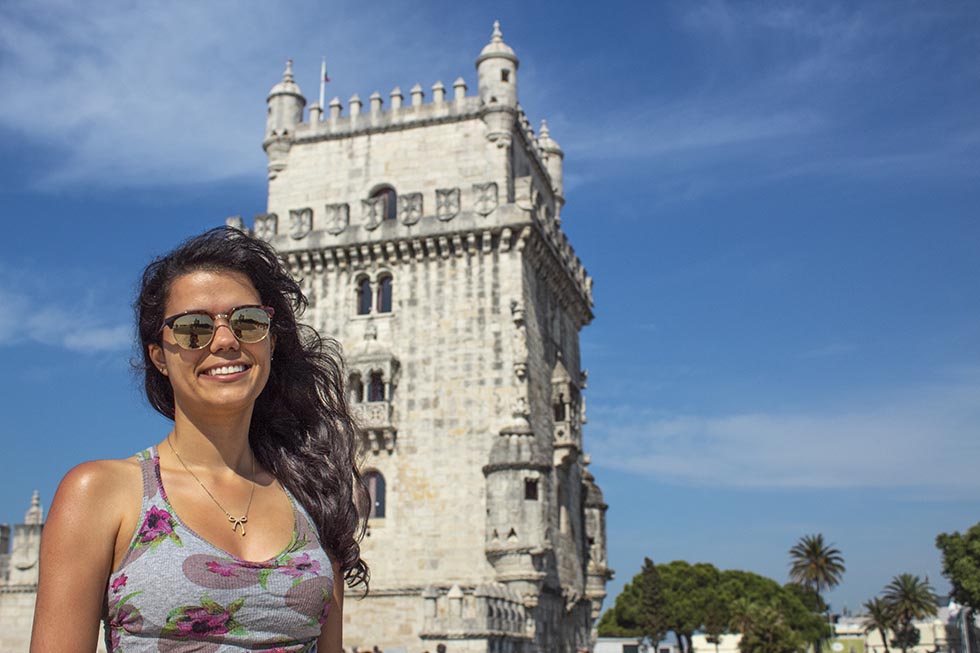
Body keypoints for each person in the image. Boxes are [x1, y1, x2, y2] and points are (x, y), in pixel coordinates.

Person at [31, 227, 369, 652]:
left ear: (270, 342)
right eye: (194, 328)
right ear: (159, 355)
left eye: (247, 323)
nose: (225, 341)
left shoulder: (314, 494)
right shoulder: (101, 493)